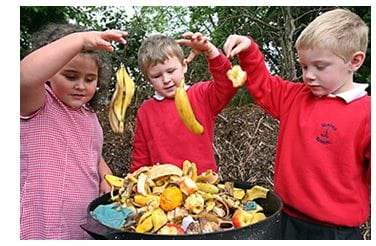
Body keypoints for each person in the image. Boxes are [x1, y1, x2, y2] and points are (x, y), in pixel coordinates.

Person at [223, 8, 370, 240]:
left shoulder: (367, 114)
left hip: (333, 231)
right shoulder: (295, 97)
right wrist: (249, 50)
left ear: (355, 61)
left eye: (320, 67)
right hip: (284, 217)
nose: (309, 75)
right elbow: (264, 85)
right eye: (304, 67)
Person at [20, 23, 128, 239]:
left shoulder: (89, 115)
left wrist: (104, 175)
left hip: (80, 223)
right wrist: (79, 40)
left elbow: (91, 153)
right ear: (49, 74)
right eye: (70, 76)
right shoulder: (38, 103)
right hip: (42, 222)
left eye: (90, 79)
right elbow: (24, 76)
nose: (81, 85)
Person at [130, 32, 238, 175]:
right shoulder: (146, 110)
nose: (166, 79)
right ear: (149, 79)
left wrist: (211, 51)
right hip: (164, 187)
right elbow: (141, 155)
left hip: (203, 183)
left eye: (170, 71)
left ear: (184, 66)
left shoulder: (201, 94)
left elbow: (228, 85)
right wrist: (136, 180)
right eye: (157, 76)